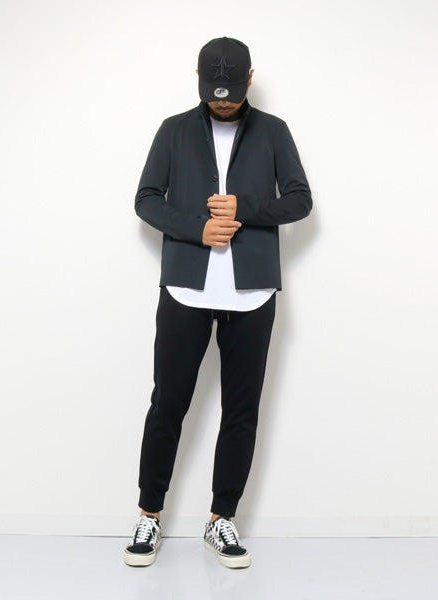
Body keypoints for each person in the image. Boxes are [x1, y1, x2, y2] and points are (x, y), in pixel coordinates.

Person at [124, 36, 312, 569]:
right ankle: (149, 514)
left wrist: (244, 209)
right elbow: (146, 199)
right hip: (185, 289)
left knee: (242, 410)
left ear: (250, 79)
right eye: (213, 92)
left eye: (232, 92)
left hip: (252, 293)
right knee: (168, 404)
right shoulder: (173, 130)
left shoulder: (274, 132)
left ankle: (221, 518)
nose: (222, 102)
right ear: (198, 79)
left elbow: (300, 200)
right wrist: (198, 229)